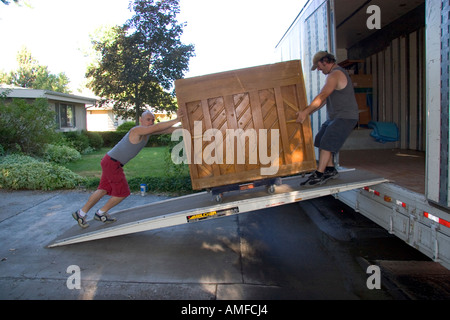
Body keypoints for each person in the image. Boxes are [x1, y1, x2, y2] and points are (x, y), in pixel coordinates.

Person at [72, 109, 183, 228]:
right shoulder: (137, 130)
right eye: (148, 120)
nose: (151, 122)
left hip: (110, 161)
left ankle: (80, 213)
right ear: (141, 120)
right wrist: (176, 119)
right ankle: (100, 213)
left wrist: (184, 125)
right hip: (112, 163)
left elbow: (167, 129)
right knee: (122, 193)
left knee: (103, 189)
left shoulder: (147, 132)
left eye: (152, 120)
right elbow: (157, 127)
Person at [296, 51, 359, 186]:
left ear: (325, 61)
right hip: (336, 117)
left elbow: (323, 95)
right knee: (320, 139)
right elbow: (324, 100)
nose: (318, 69)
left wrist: (306, 111)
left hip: (345, 117)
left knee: (327, 142)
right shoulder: (332, 75)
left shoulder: (335, 74)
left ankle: (319, 174)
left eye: (318, 66)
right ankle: (330, 170)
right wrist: (307, 112)